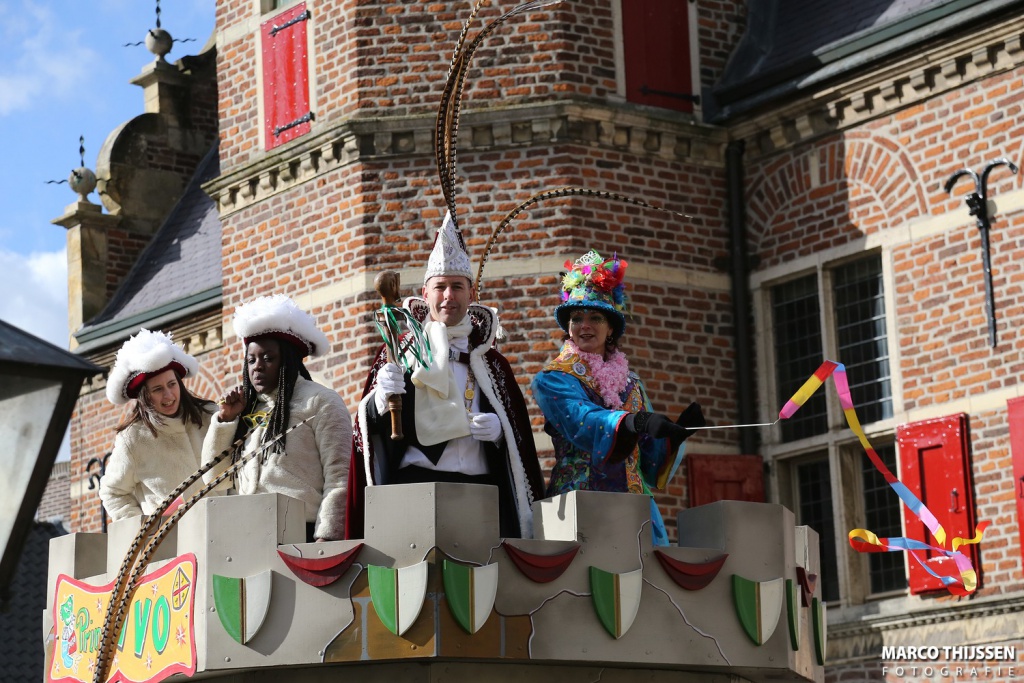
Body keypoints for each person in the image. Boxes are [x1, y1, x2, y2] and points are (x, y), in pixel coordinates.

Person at [346, 212, 544, 539]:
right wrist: (379, 401)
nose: (448, 296)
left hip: (480, 491)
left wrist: (500, 433)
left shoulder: (492, 362)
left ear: (472, 294)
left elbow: (518, 439)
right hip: (414, 486)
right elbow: (364, 432)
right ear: (425, 294)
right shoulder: (400, 350)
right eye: (440, 287)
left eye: (457, 287)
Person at [531, 250, 704, 546]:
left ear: (610, 327)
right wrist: (632, 422)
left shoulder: (631, 383)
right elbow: (581, 419)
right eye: (576, 318)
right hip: (580, 506)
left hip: (635, 510)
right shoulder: (553, 378)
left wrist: (673, 436)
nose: (585, 325)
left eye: (595, 317)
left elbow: (648, 460)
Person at [202, 294, 352, 542]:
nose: (257, 367)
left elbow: (340, 475)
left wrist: (327, 538)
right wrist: (226, 420)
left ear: (288, 360)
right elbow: (214, 480)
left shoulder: (322, 401)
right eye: (251, 360)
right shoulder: (246, 409)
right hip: (249, 536)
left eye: (268, 358)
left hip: (305, 535)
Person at [100, 329, 215, 520]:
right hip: (173, 537)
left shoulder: (211, 416)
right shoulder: (133, 439)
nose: (168, 395)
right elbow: (112, 493)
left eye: (172, 384)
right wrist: (145, 528)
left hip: (223, 527)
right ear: (145, 396)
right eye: (158, 389)